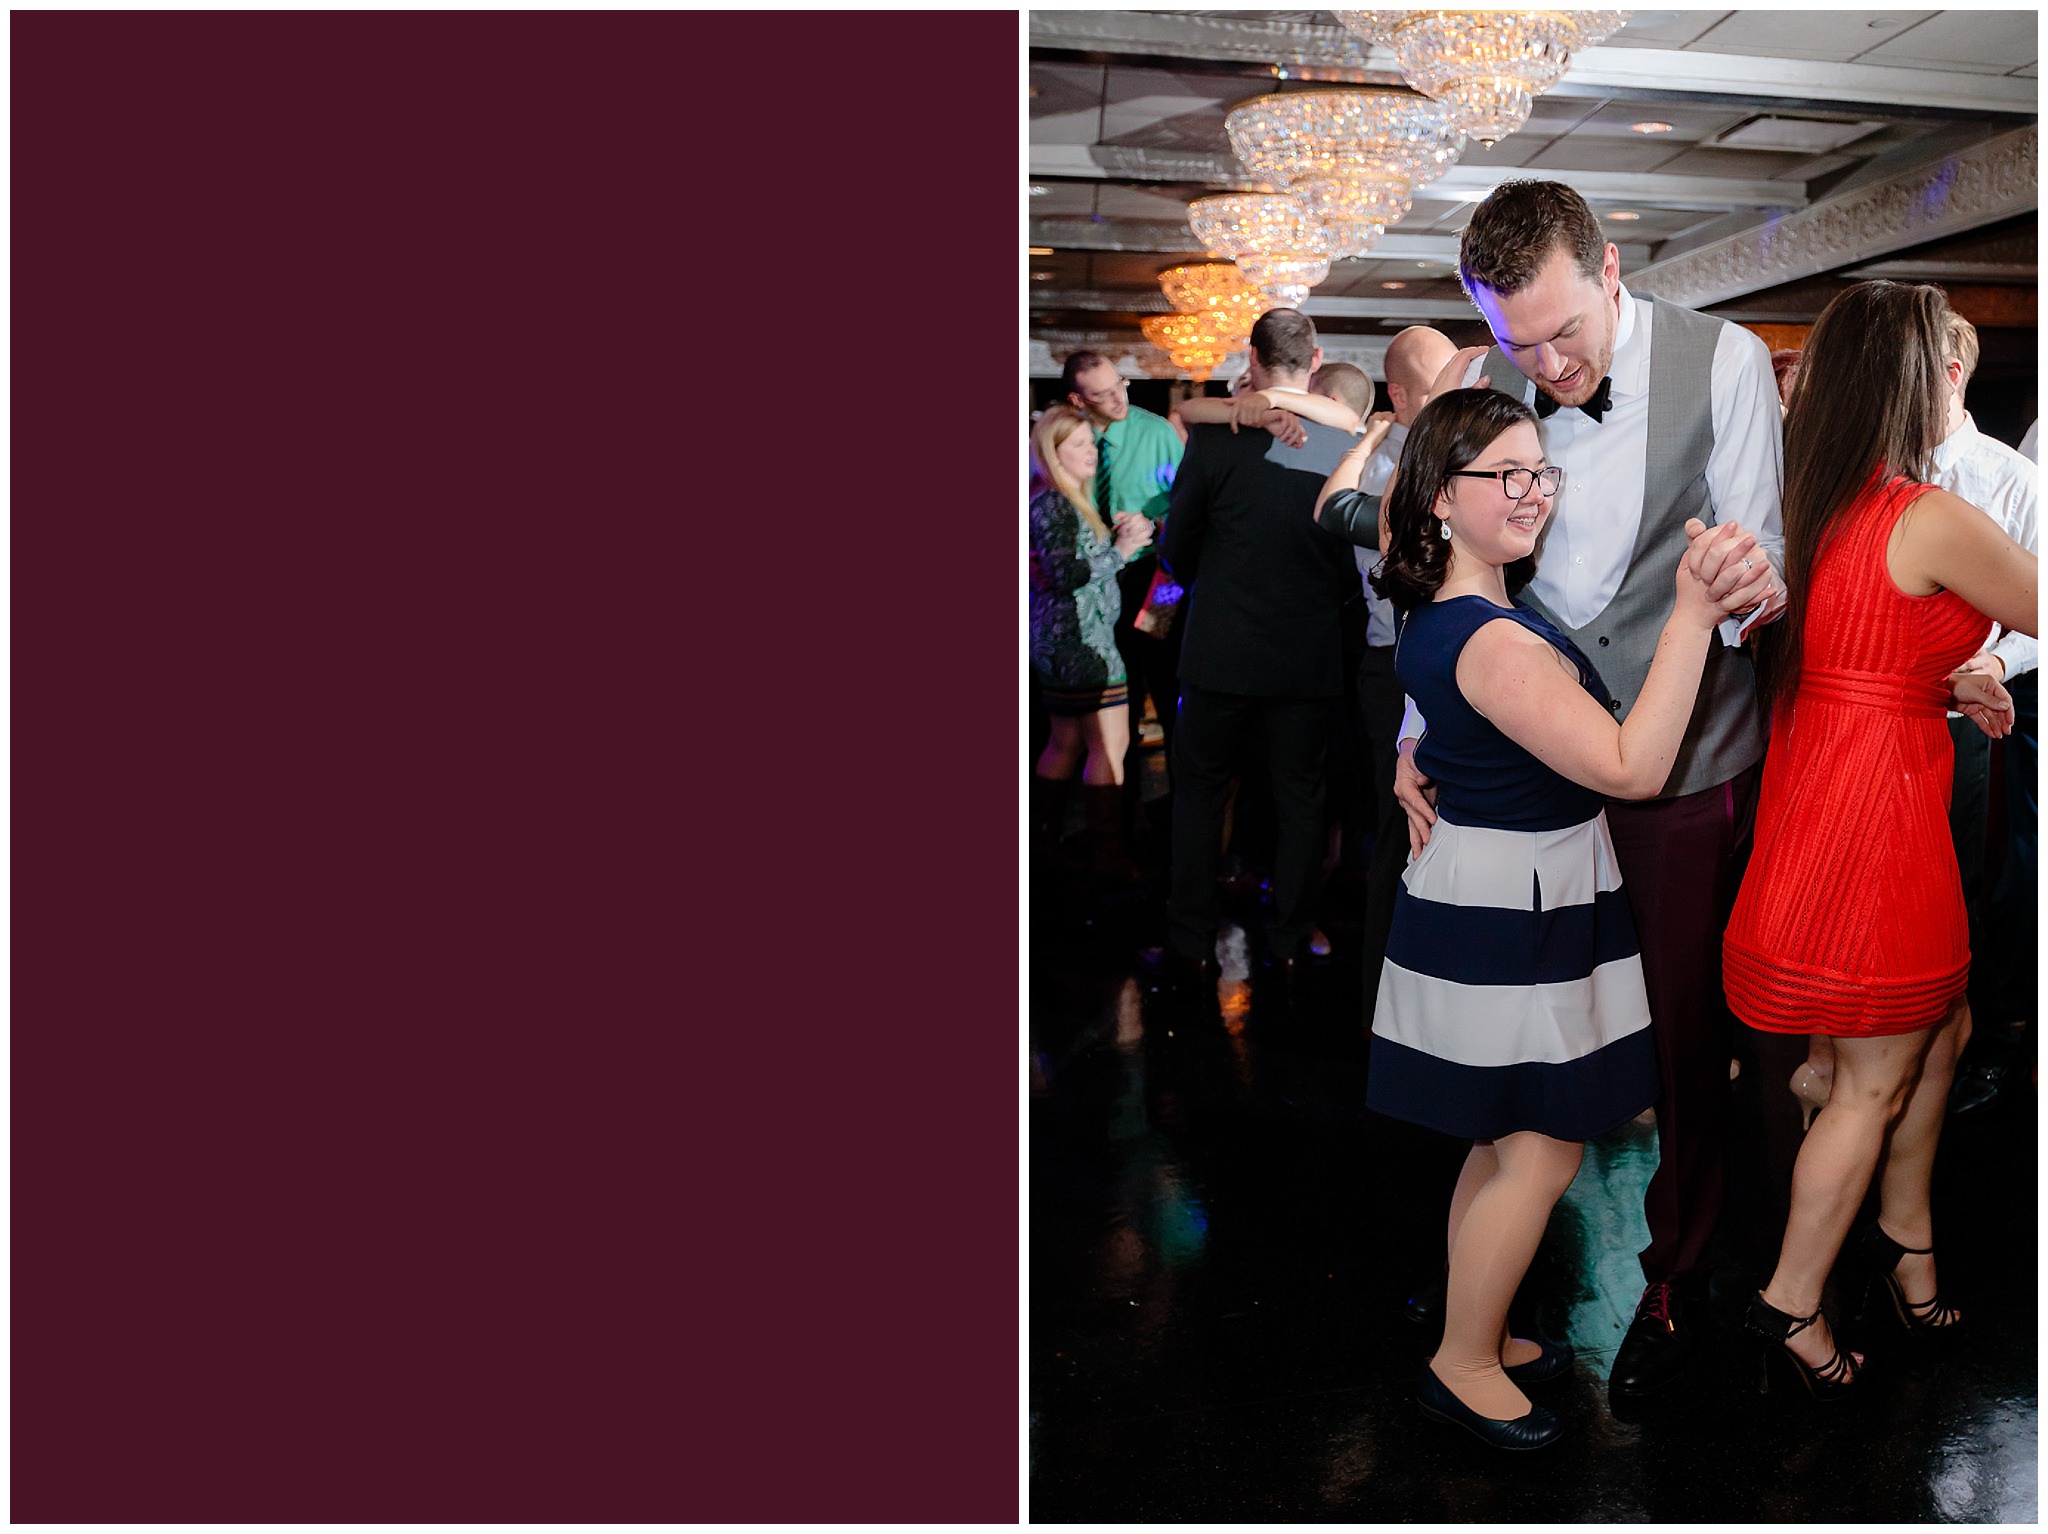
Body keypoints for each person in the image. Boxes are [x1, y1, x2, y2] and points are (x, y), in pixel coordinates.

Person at [1375, 181, 1786, 1401]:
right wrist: (1419, 734)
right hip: (1524, 782)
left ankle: (1677, 1267)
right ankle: (1482, 1322)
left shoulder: (1723, 361)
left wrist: (1734, 588)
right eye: (1519, 347)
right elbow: (1451, 588)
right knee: (1540, 1077)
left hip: (1675, 766)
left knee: (1675, 1035)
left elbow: (1754, 575)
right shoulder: (1489, 407)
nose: (1548, 365)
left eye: (1564, 332)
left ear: (1609, 267)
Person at [1360, 386, 1721, 1448]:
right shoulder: (1494, 637)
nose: (1530, 495)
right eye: (1501, 477)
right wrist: (1693, 618)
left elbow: (1443, 703)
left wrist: (1409, 750)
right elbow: (1633, 765)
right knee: (1543, 1147)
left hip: (1506, 887)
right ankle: (1460, 1358)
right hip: (1513, 900)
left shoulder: (1446, 614)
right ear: (1436, 499)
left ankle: (1477, 1326)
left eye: (1538, 472)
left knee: (1505, 1134)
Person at [1722, 280, 2036, 1396]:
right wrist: (1969, 671)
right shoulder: (1924, 513)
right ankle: (1789, 1302)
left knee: (1938, 1030)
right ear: (1914, 378)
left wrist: (1957, 677)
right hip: (1881, 811)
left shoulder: (1813, 504)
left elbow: (1872, 644)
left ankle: (1905, 1239)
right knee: (1872, 1074)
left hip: (1814, 788)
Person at [1158, 309, 1361, 985]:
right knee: (1300, 800)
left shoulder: (1218, 440)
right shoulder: (1341, 442)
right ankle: (1292, 936)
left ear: (1252, 356)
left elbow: (1176, 546)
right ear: (1317, 357)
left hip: (1220, 647)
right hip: (1305, 650)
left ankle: (1190, 939)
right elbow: (1346, 561)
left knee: (1200, 795)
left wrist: (1210, 586)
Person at [1027, 404, 1156, 880]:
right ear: (1052, 452)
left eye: (1089, 442)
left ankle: (1043, 844)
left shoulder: (1054, 499)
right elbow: (1064, 575)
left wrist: (1121, 540)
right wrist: (1121, 552)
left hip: (1064, 642)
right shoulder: (1056, 502)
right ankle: (1108, 858)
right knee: (1110, 743)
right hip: (1082, 644)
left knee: (1064, 743)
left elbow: (1076, 564)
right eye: (1078, 444)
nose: (1091, 452)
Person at [1063, 351, 1186, 838]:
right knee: (1115, 704)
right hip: (1096, 583)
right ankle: (1119, 825)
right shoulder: (1068, 440)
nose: (1118, 399)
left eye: (1121, 385)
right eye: (1103, 393)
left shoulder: (1155, 431)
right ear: (1077, 399)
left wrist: (1156, 522)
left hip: (1161, 581)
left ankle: (1178, 820)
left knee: (1168, 689)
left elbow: (1188, 505)